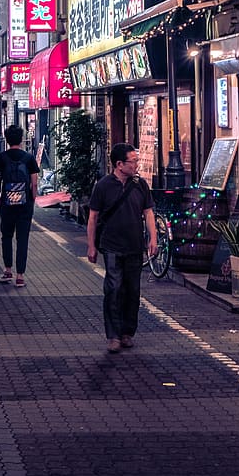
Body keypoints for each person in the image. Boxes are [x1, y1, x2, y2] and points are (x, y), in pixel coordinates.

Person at [86, 143, 156, 353]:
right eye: (133, 161)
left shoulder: (140, 185)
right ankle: (113, 335)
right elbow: (93, 217)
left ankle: (127, 332)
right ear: (119, 164)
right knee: (114, 288)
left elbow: (149, 212)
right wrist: (91, 246)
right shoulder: (103, 186)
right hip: (112, 246)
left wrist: (153, 238)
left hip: (135, 245)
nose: (136, 165)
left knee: (132, 290)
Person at [0, 124, 40, 287]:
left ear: (6, 139)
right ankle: (20, 276)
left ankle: (7, 271)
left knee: (6, 236)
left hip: (7, 203)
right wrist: (32, 199)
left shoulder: (1, 157)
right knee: (22, 239)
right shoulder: (28, 158)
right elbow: (34, 183)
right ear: (21, 139)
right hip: (25, 205)